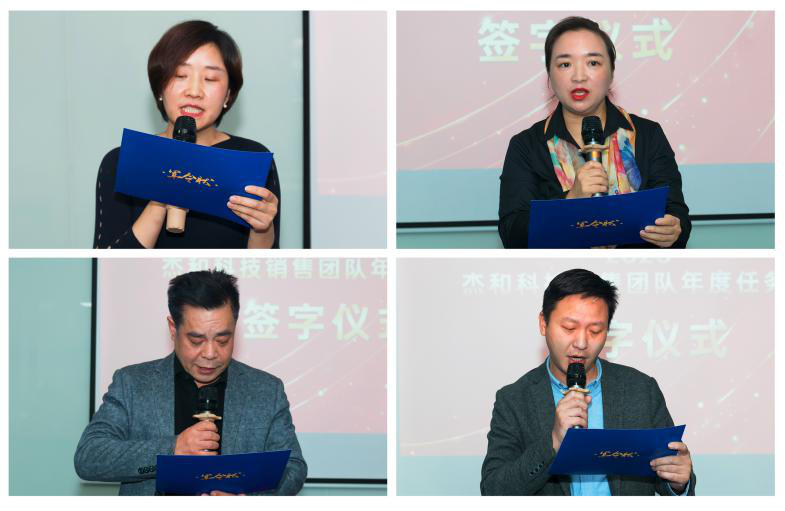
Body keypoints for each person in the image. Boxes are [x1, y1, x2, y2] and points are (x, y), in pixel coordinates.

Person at [74, 269, 306, 495]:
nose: (210, 353)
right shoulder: (133, 383)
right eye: (196, 341)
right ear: (173, 329)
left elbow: (293, 468)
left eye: (223, 340)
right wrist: (173, 448)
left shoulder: (266, 390)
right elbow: (89, 458)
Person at [480, 269, 696, 495]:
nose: (581, 343)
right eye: (569, 328)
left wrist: (678, 482)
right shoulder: (514, 400)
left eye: (595, 330)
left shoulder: (641, 389)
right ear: (543, 323)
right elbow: (493, 491)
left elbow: (669, 476)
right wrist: (553, 442)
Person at [498, 17, 690, 249]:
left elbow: (677, 214)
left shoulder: (647, 134)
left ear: (611, 72)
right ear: (549, 73)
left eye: (593, 63)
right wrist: (572, 201)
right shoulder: (527, 146)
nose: (579, 76)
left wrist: (673, 229)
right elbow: (512, 235)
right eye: (565, 64)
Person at [94, 20, 281, 249]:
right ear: (160, 87)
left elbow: (265, 266)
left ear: (228, 94)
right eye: (181, 75)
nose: (194, 91)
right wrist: (163, 194)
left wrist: (263, 229)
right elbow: (109, 264)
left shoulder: (251, 160)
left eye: (210, 79)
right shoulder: (123, 161)